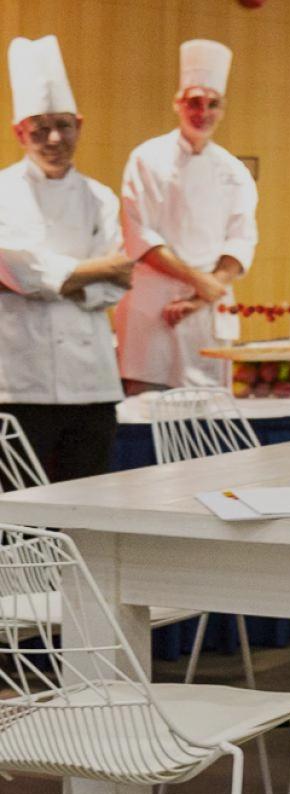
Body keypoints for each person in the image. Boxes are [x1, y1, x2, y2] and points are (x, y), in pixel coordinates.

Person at [0, 36, 134, 486]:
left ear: (79, 125)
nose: (54, 139)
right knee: (15, 515)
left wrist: (33, 278)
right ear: (20, 132)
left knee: (88, 504)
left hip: (92, 381)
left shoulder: (100, 197)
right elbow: (9, 267)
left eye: (63, 125)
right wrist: (96, 268)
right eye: (40, 128)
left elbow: (115, 287)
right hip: (18, 382)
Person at [116, 39, 258, 394]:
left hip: (207, 312)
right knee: (146, 411)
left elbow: (241, 239)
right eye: (194, 102)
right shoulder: (146, 159)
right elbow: (140, 237)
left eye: (213, 104)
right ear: (178, 103)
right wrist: (201, 281)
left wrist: (206, 291)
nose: (203, 112)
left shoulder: (232, 170)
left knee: (209, 418)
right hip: (153, 309)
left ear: (222, 109)